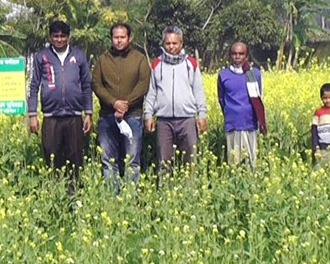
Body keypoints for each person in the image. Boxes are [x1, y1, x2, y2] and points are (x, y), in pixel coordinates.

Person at [27, 20, 93, 195]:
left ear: (68, 37)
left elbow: (86, 85)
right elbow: (33, 86)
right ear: (50, 37)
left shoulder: (78, 56)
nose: (59, 40)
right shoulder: (42, 57)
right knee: (51, 157)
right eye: (55, 36)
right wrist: (32, 114)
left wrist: (88, 113)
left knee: (75, 157)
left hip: (73, 116)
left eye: (63, 36)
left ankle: (74, 196)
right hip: (51, 116)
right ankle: (54, 194)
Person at [92, 22, 150, 193]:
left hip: (132, 116)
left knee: (132, 159)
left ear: (129, 38)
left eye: (122, 37)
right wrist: (113, 102)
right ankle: (112, 197)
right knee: (108, 160)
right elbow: (96, 84)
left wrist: (126, 104)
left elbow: (143, 83)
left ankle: (131, 198)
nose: (119, 41)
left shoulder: (139, 59)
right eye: (115, 37)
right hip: (108, 117)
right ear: (111, 39)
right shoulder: (102, 60)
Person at [144, 26, 208, 178]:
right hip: (164, 121)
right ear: (163, 44)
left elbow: (198, 90)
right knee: (163, 162)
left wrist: (202, 114)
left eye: (175, 43)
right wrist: (148, 115)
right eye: (168, 43)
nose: (171, 47)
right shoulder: (156, 64)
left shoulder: (191, 63)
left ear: (181, 44)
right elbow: (152, 92)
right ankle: (165, 195)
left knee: (190, 162)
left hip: (187, 119)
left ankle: (189, 194)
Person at [216, 42, 267, 170]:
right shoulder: (223, 75)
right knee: (234, 163)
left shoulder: (253, 74)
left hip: (250, 124)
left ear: (247, 56)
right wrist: (230, 112)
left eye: (241, 54)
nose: (237, 57)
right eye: (234, 54)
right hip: (232, 124)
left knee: (251, 163)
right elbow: (221, 99)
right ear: (230, 56)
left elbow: (257, 98)